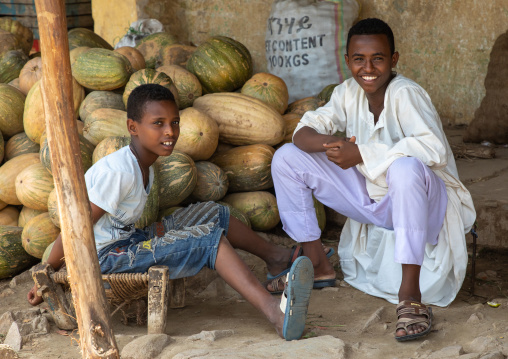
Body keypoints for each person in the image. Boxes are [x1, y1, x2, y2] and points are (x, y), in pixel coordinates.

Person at [27, 84, 314, 341]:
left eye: (174, 122)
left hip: (130, 242)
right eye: (158, 124)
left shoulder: (144, 163)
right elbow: (76, 228)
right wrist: (46, 274)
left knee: (214, 213)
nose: (170, 132)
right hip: (106, 259)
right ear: (133, 127)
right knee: (209, 240)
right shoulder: (117, 172)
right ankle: (276, 314)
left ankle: (278, 260)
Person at [270, 18, 476, 341]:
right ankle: (317, 263)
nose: (368, 68)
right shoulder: (348, 93)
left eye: (377, 58)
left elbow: (433, 149)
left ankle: (410, 297)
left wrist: (362, 154)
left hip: (425, 202)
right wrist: (334, 147)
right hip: (375, 199)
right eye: (358, 59)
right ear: (348, 60)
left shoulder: (406, 94)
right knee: (285, 159)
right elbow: (303, 132)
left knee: (405, 170)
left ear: (393, 60)